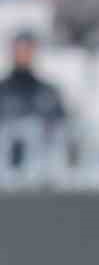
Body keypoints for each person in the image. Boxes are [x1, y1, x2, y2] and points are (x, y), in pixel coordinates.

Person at [0, 30, 67, 167]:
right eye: (20, 49)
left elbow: (61, 128)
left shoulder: (48, 91)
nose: (24, 54)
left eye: (28, 49)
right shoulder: (3, 90)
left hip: (41, 165)